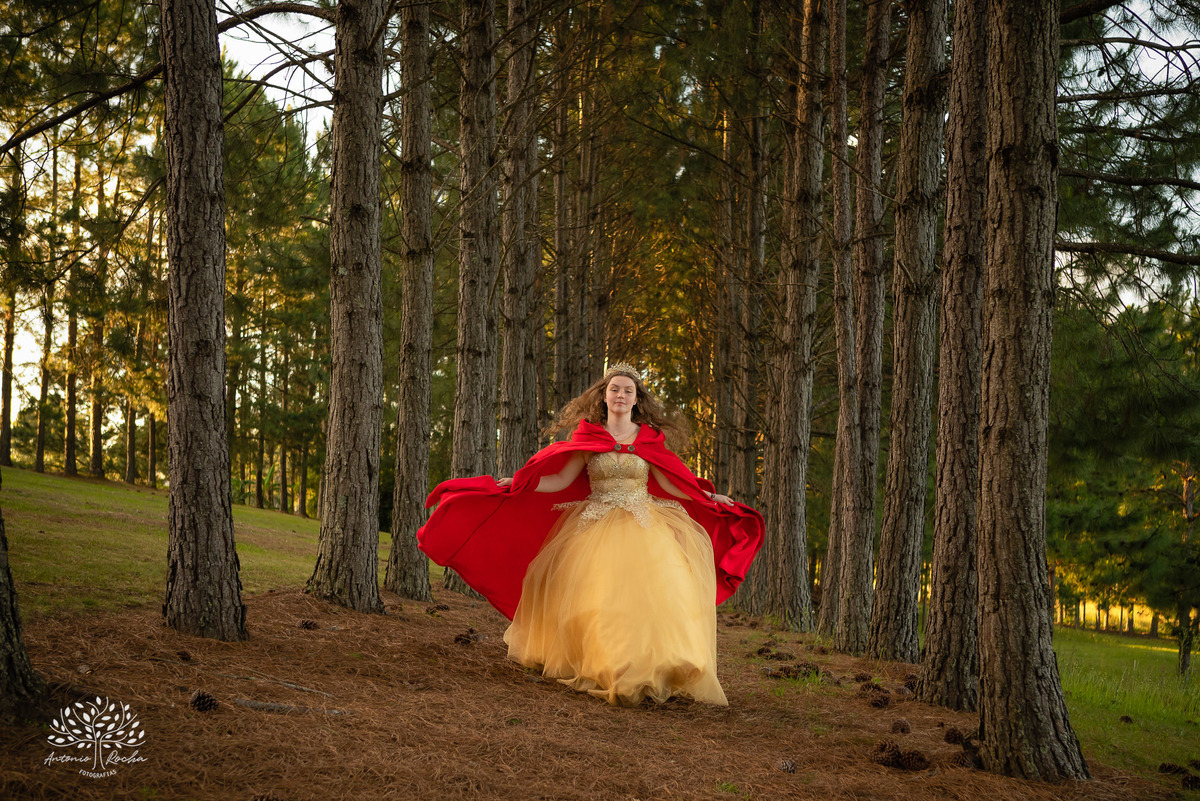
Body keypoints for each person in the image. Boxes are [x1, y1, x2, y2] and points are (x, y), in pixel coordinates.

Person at [417, 363, 764, 707]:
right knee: (601, 600)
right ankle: (611, 667)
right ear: (604, 396)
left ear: (637, 400)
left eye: (628, 391)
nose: (621, 395)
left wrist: (709, 497)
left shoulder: (649, 440)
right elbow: (562, 481)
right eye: (615, 389)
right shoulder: (588, 437)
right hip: (596, 526)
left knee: (655, 597)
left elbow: (674, 483)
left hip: (645, 524)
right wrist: (523, 483)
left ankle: (658, 668)